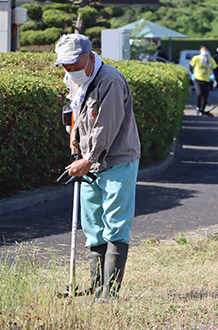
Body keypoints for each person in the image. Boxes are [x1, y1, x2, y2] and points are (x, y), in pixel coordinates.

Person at [54, 34, 141, 299]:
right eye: (65, 66)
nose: (70, 71)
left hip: (117, 159)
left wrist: (88, 159)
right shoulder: (73, 77)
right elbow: (74, 108)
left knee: (115, 223)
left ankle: (109, 292)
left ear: (90, 57)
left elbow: (107, 126)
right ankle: (96, 284)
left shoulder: (110, 81)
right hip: (89, 163)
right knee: (92, 224)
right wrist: (73, 134)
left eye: (74, 64)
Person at [189, 44, 217, 116]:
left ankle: (202, 109)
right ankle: (198, 108)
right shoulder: (196, 58)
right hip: (197, 78)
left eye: (205, 50)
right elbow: (191, 65)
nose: (204, 51)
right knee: (199, 93)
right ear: (200, 50)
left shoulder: (210, 59)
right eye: (203, 50)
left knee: (205, 96)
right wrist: (192, 74)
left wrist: (213, 75)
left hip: (207, 79)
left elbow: (215, 68)